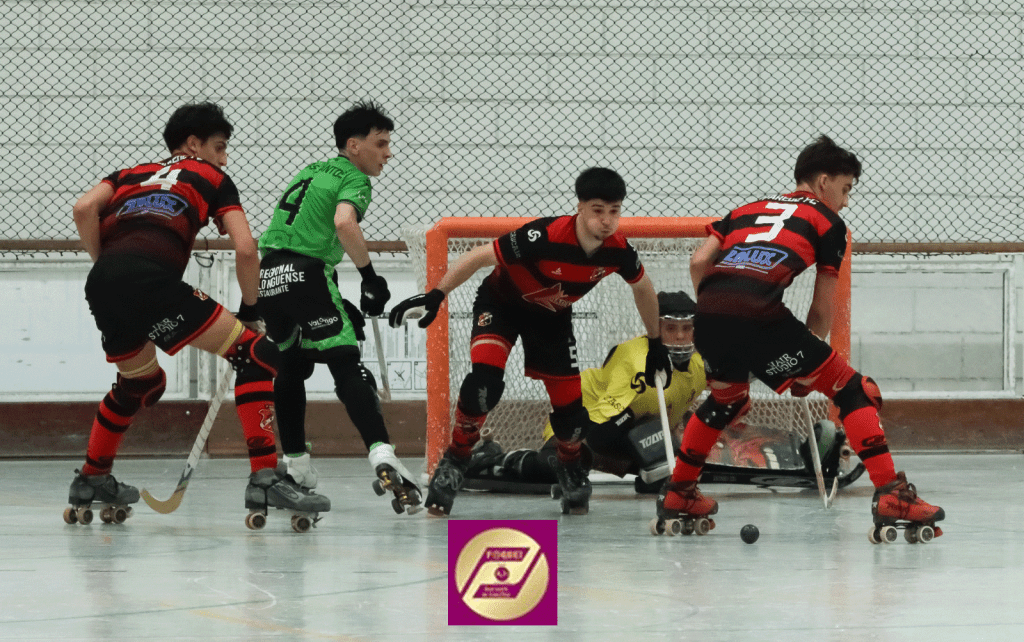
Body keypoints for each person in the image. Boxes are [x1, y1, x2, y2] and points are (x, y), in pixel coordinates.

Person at [657, 135, 944, 540]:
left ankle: (679, 492)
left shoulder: (745, 210)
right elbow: (822, 310)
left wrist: (718, 309)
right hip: (759, 317)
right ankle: (892, 496)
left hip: (708, 315)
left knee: (727, 401)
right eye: (845, 189)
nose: (846, 201)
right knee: (854, 389)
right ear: (824, 181)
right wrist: (808, 366)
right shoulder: (829, 223)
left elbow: (699, 260)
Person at [66, 102, 327, 525]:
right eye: (219, 147)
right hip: (152, 280)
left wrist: (107, 266)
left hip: (103, 283)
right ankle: (264, 478)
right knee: (257, 355)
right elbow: (246, 248)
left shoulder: (128, 174)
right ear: (193, 144)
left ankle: (92, 478)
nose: (224, 159)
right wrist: (251, 309)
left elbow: (83, 209)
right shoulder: (213, 178)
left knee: (140, 383)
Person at [388, 167, 673, 516]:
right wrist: (436, 295)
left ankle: (570, 466)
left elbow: (642, 288)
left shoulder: (619, 251)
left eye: (614, 211)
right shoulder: (544, 235)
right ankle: (456, 459)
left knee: (572, 417)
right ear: (580, 208)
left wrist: (655, 342)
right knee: (483, 386)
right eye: (597, 210)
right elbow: (479, 255)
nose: (606, 221)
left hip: (551, 320)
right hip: (501, 306)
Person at [257, 101, 421, 515]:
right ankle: (383, 453)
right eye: (381, 143)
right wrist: (370, 278)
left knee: (291, 367)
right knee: (346, 363)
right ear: (353, 145)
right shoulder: (354, 177)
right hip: (308, 272)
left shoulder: (310, 171)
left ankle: (296, 467)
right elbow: (345, 222)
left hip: (269, 275)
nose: (388, 153)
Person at [464, 291, 707, 492]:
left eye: (687, 328)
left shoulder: (700, 365)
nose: (680, 337)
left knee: (658, 465)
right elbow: (600, 435)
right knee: (556, 466)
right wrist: (651, 454)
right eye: (670, 328)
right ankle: (490, 459)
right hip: (584, 418)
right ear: (654, 327)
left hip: (630, 431)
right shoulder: (636, 363)